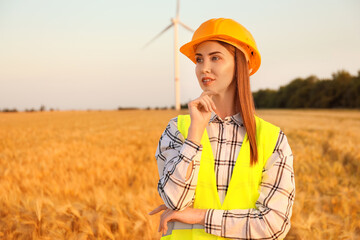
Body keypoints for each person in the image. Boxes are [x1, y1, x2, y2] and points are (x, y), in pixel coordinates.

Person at [149, 18, 295, 239]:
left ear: (241, 64)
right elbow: (175, 201)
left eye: (215, 57)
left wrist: (200, 216)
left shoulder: (272, 139)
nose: (203, 68)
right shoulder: (178, 129)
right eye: (199, 59)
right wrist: (195, 134)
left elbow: (274, 225)